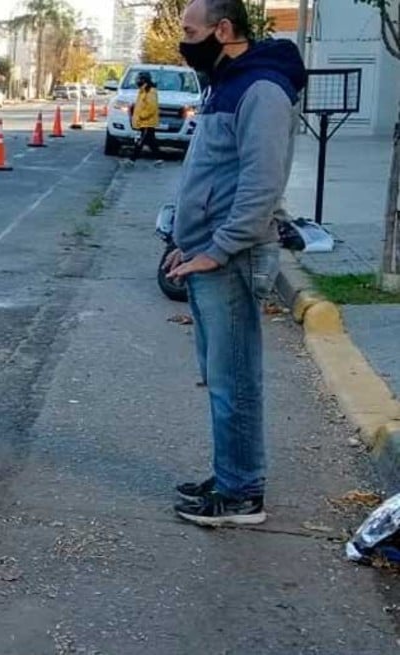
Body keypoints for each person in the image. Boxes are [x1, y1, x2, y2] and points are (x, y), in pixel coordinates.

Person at [164, 0, 305, 526]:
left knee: (235, 379)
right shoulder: (226, 83)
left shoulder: (261, 89)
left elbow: (260, 186)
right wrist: (187, 242)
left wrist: (217, 249)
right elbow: (214, 173)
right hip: (210, 254)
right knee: (221, 375)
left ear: (223, 29)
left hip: (234, 258)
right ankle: (231, 475)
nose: (184, 41)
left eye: (189, 31)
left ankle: (242, 493)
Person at [130, 70, 162, 162]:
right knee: (151, 141)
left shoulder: (150, 91)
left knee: (141, 141)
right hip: (144, 122)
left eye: (139, 79)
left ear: (144, 80)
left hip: (147, 122)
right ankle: (159, 159)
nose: (137, 81)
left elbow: (151, 107)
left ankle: (132, 160)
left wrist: (142, 116)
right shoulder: (143, 91)